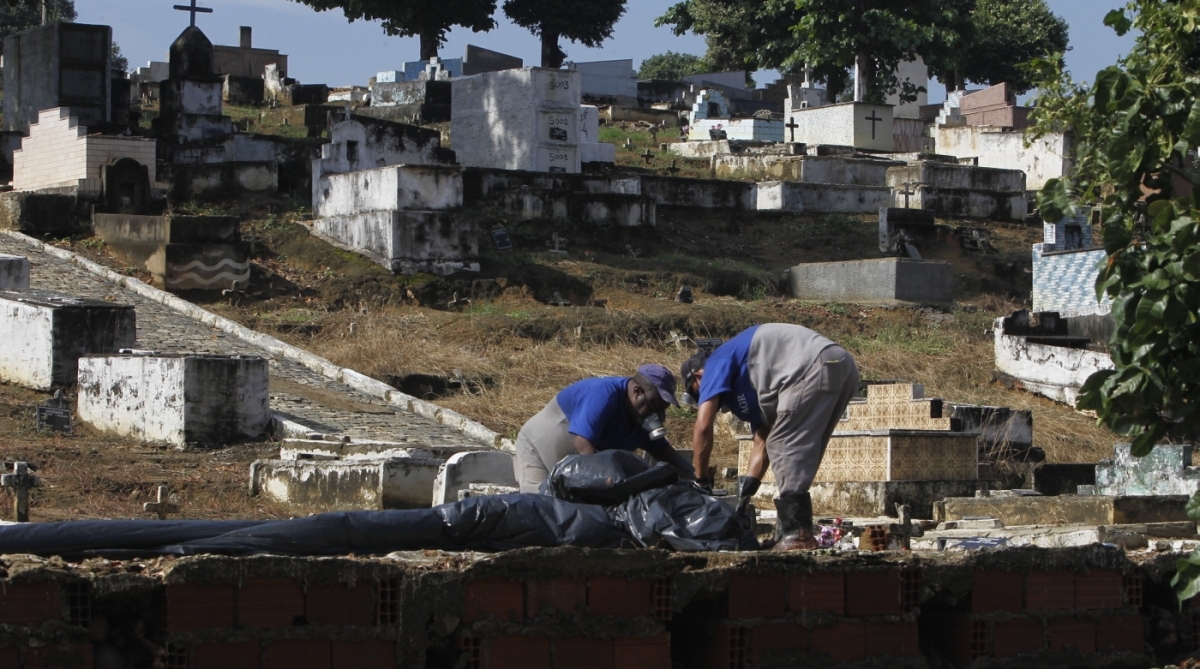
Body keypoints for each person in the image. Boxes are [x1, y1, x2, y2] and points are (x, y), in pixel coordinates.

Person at [680, 324, 859, 550]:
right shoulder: (753, 385)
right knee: (795, 447)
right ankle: (789, 532)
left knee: (783, 444)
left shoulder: (716, 362)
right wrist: (743, 500)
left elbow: (703, 427)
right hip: (840, 367)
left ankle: (798, 535)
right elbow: (762, 444)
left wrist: (701, 481)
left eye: (697, 392)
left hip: (814, 365)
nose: (701, 399)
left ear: (698, 376)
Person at [512, 364, 695, 493]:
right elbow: (582, 444)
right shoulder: (602, 395)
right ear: (638, 392)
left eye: (663, 409)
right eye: (654, 404)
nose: (657, 414)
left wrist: (694, 476)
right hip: (538, 451)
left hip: (577, 463)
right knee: (538, 504)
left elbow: (663, 451)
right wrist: (607, 482)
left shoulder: (641, 416)